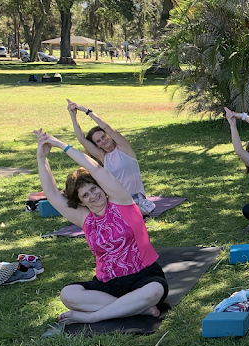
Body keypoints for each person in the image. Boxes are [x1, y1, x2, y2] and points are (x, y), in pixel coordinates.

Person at [34, 130, 168, 325]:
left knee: (155, 291)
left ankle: (94, 316)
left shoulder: (122, 202)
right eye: (85, 196)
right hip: (107, 284)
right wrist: (41, 157)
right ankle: (134, 308)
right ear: (80, 202)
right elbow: (52, 195)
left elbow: (95, 169)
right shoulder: (85, 218)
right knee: (68, 294)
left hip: (144, 276)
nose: (93, 196)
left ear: (102, 188)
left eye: (94, 189)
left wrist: (62, 145)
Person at [66, 100, 156, 215]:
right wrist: (73, 115)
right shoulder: (104, 157)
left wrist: (86, 111)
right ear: (97, 145)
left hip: (136, 198)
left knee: (147, 208)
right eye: (98, 141)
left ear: (108, 135)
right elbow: (81, 139)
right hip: (117, 200)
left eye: (103, 136)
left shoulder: (124, 148)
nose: (103, 141)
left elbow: (107, 127)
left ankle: (125, 214)